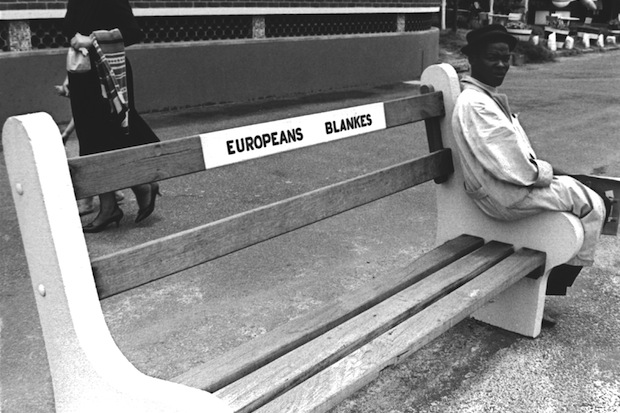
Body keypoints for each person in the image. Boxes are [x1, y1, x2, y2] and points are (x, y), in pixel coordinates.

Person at [452, 25, 608, 310]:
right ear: (472, 58)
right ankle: (551, 285)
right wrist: (553, 173)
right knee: (592, 203)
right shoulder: (476, 104)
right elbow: (517, 170)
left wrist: (557, 174)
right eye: (492, 58)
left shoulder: (484, 97)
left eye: (506, 58)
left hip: (505, 188)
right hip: (504, 195)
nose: (501, 65)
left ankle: (547, 285)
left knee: (585, 193)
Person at [61, 0, 160, 233]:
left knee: (116, 134)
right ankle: (115, 203)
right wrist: (73, 61)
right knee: (90, 139)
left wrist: (92, 40)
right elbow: (71, 30)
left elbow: (132, 32)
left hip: (110, 74)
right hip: (82, 73)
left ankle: (138, 187)